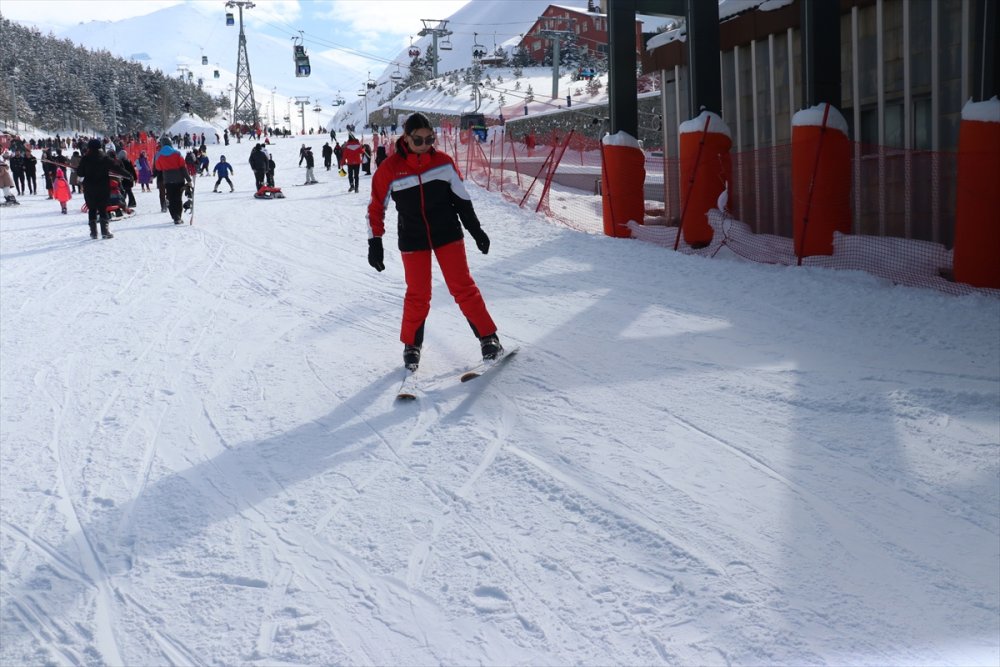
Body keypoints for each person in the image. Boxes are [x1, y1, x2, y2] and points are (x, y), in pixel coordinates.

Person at [366, 112, 501, 371]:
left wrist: (476, 230)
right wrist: (375, 243)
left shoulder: (443, 162)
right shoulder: (390, 169)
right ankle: (412, 345)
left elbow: (462, 200)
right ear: (406, 138)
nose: (426, 145)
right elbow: (375, 208)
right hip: (413, 237)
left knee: (463, 287)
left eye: (430, 139)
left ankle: (488, 337)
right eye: (419, 140)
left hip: (447, 233)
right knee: (418, 294)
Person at [76, 138, 122, 238]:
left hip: (89, 188)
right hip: (103, 187)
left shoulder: (85, 159)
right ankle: (105, 232)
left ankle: (93, 233)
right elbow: (116, 168)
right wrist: (128, 174)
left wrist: (80, 168)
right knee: (102, 209)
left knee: (92, 209)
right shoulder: (104, 158)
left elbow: (80, 173)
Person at [153, 136, 192, 224]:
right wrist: (188, 180)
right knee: (178, 198)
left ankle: (175, 216)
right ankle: (178, 216)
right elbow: (183, 168)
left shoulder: (159, 155)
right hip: (179, 179)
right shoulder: (177, 153)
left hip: (167, 180)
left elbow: (158, 168)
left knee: (171, 198)